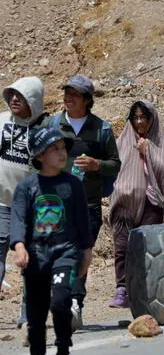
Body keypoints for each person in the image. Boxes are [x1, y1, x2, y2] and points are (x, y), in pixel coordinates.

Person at [11, 125, 92, 355]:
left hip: (65, 251)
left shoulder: (73, 184)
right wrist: (20, 246)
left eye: (62, 148)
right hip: (36, 255)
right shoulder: (27, 187)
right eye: (54, 149)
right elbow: (18, 219)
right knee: (35, 315)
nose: (61, 153)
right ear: (39, 156)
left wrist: (87, 253)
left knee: (60, 302)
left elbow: (83, 221)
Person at [47, 75, 121, 328]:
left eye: (74, 94)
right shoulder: (52, 125)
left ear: (88, 100)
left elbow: (115, 164)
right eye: (66, 93)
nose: (68, 98)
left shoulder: (102, 129)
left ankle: (75, 304)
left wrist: (96, 164)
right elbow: (36, 159)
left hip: (87, 205)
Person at [109, 101, 164, 308]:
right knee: (122, 246)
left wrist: (148, 151)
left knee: (148, 247)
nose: (139, 122)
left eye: (143, 117)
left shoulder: (159, 141)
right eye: (135, 117)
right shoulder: (123, 140)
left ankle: (146, 290)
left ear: (152, 119)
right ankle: (122, 288)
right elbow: (115, 167)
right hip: (124, 200)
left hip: (152, 202)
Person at [0, 77, 47, 329]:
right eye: (12, 95)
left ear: (34, 101)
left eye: (21, 95)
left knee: (30, 260)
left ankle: (28, 314)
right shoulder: (0, 121)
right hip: (1, 202)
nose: (15, 99)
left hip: (32, 207)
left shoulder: (44, 130)